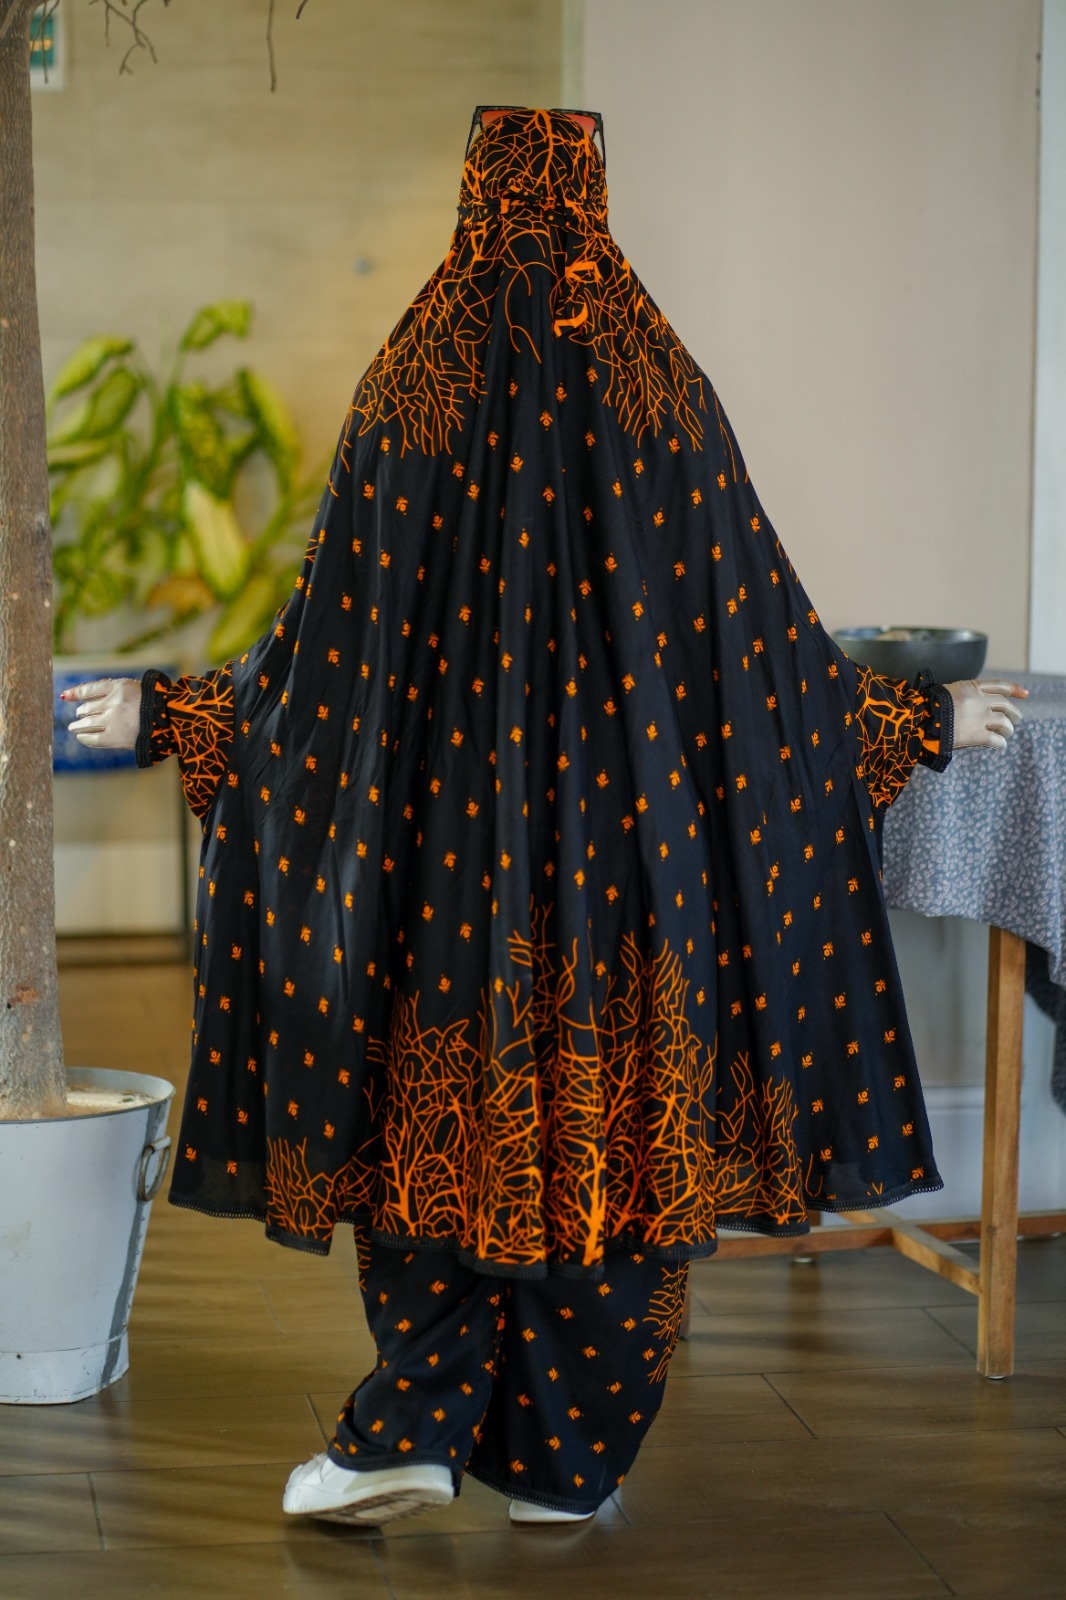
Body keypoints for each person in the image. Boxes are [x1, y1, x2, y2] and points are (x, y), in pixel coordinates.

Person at [66, 106, 1026, 1528]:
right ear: (596, 200)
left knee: (430, 1132)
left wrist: (181, 715)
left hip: (431, 875)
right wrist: (909, 716)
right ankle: (568, 1465)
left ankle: (409, 1427)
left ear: (471, 198)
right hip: (638, 879)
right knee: (621, 1144)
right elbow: (756, 645)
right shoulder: (657, 390)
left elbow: (321, 655)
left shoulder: (416, 382)